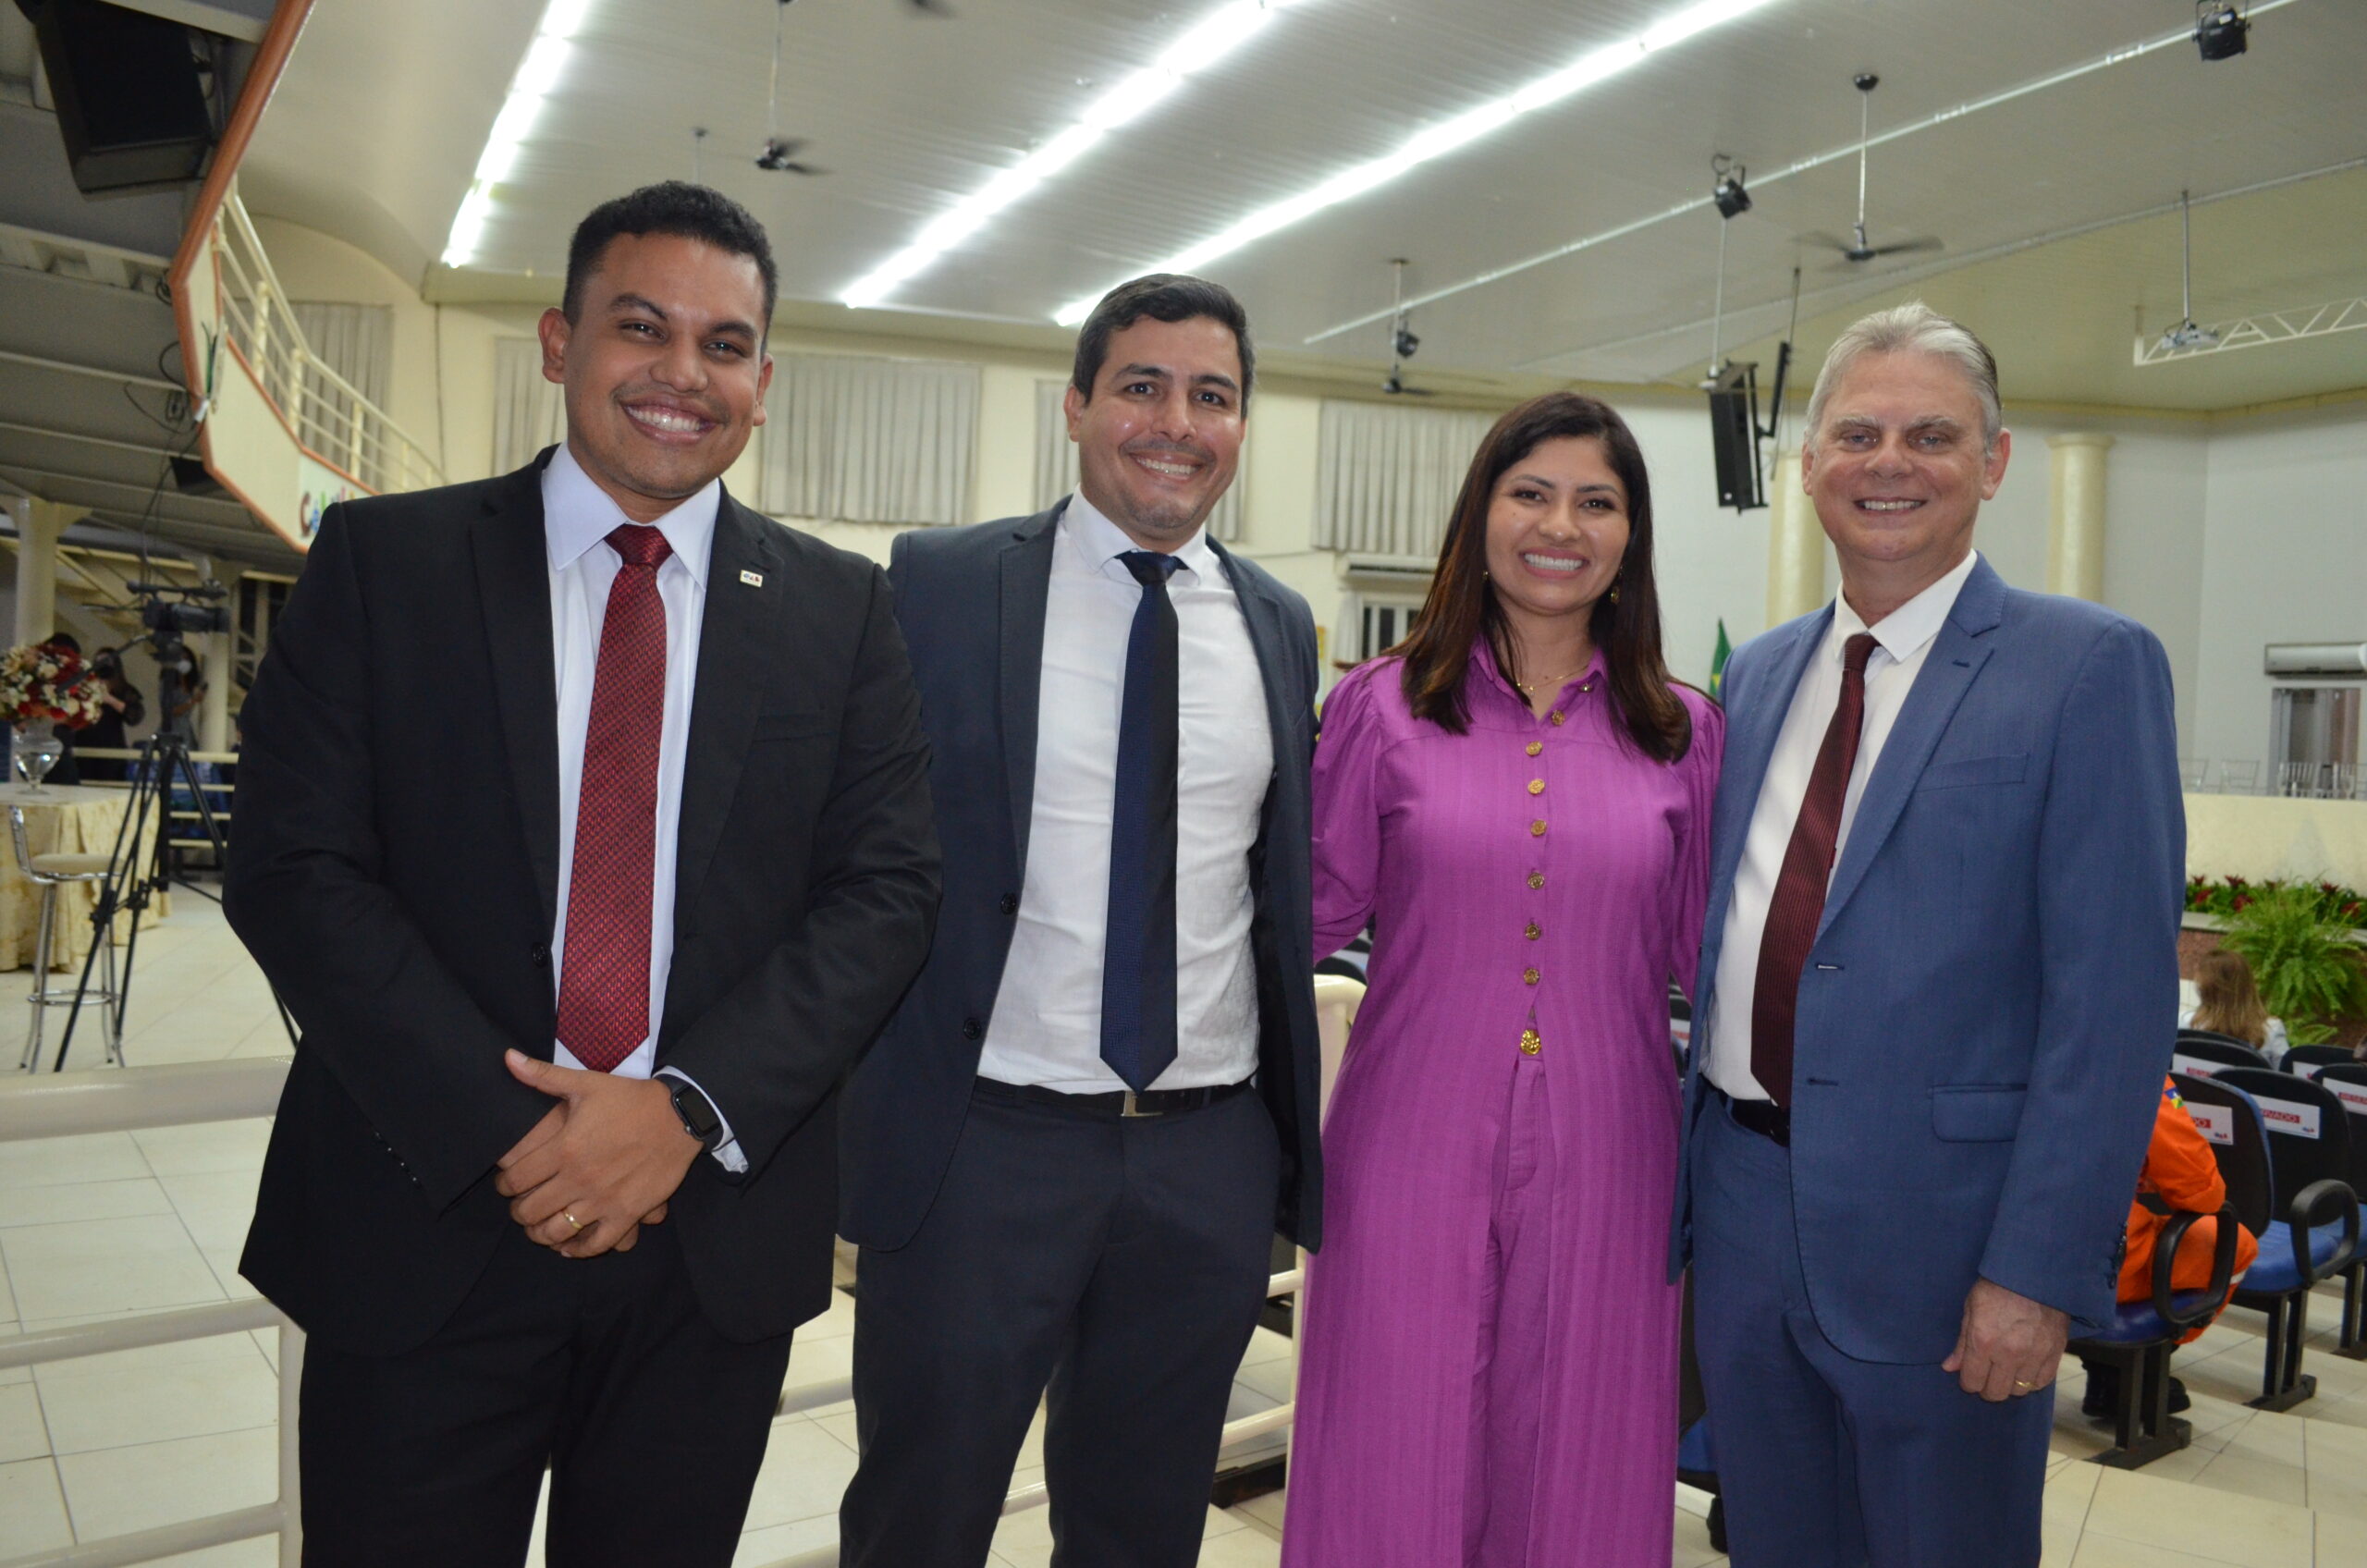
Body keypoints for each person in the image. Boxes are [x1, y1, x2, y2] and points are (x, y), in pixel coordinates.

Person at [225, 181, 939, 1568]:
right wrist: (524, 1135)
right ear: (560, 342)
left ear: (764, 383)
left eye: (725, 345)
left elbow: (888, 892)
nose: (684, 374)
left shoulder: (841, 609)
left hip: (704, 1244)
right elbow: (295, 866)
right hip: (427, 1216)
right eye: (641, 327)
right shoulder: (389, 563)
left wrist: (680, 1113)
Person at [1676, 300, 2184, 1567]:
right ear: (1808, 466)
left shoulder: (2088, 667)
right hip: (1741, 1211)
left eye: (1931, 436)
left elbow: (2110, 1009)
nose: (1889, 462)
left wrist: (2038, 1272)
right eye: (1857, 434)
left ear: (1993, 463)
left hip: (1951, 1247)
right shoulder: (1759, 675)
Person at [836, 274, 1323, 1568]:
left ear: (1241, 424)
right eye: (1141, 387)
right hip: (983, 1145)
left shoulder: (1277, 625)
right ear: (1076, 406)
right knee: (919, 1522)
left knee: (1141, 1533)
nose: (1176, 423)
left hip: (1205, 1155)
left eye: (1211, 395)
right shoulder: (941, 585)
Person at [1287, 392, 1722, 1566]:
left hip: (1616, 1145)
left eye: (1596, 502)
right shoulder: (1381, 705)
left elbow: (1717, 962)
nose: (1560, 526)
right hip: (1403, 1137)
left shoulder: (1684, 732)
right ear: (1480, 513)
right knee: (1390, 1437)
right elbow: (1301, 918)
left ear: (1630, 536)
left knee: (1581, 1446)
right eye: (1530, 493)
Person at [2076, 1076, 2258, 1417]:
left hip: (1991, 1240)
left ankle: (2109, 1373)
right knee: (2236, 1245)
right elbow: (2201, 1192)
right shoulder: (2138, 1072)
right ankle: (2133, 1374)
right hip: (2087, 1258)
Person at [2184, 947, 2291, 1066]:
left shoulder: (2185, 1023)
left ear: (2204, 988)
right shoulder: (2271, 1030)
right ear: (2248, 984)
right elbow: (2285, 1074)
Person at [78, 645, 145, 782]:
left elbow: (135, 717)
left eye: (106, 662)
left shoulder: (124, 689)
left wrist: (111, 700)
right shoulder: (86, 684)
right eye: (99, 662)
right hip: (84, 741)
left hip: (111, 744)